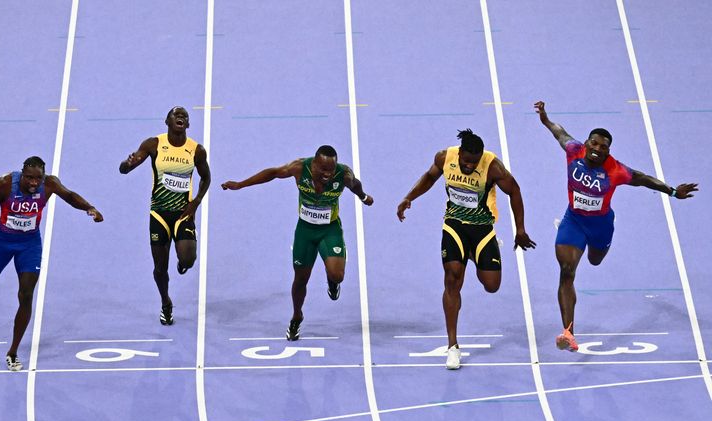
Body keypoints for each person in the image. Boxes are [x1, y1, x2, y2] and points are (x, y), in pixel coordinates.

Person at [534, 100, 698, 352]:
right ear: (586, 143)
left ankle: (595, 247)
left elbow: (643, 179)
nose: (597, 149)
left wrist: (673, 191)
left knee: (595, 260)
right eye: (594, 143)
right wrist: (545, 119)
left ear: (608, 151)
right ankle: (568, 332)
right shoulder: (574, 150)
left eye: (604, 147)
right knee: (567, 271)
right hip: (573, 221)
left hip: (601, 227)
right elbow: (559, 132)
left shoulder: (616, 170)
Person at [397, 129, 536, 370]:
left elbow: (514, 191)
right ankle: (453, 346)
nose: (470, 166)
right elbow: (429, 177)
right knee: (452, 280)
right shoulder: (445, 157)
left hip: (482, 230)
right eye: (466, 161)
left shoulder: (493, 167)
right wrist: (409, 197)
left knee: (492, 285)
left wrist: (520, 229)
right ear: (459, 153)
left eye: (474, 162)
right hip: (454, 226)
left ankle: (474, 254)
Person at [0, 156, 103, 371]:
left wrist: (89, 207)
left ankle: (12, 352)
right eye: (29, 178)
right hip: (2, 243)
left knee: (26, 294)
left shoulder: (50, 184)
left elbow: (70, 196)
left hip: (29, 246)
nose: (34, 183)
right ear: (22, 174)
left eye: (38, 178)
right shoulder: (4, 184)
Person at [221, 145, 373, 341]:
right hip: (305, 231)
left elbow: (355, 185)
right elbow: (273, 173)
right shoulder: (300, 168)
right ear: (314, 164)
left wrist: (363, 197)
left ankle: (332, 281)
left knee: (337, 275)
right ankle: (296, 317)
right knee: (301, 279)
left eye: (331, 170)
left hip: (329, 229)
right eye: (323, 169)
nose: (327, 174)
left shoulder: (343, 175)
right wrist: (241, 184)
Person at [119, 106, 211, 326]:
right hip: (159, 214)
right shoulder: (153, 144)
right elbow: (125, 169)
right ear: (167, 121)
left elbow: (206, 178)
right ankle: (165, 302)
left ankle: (182, 262)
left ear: (188, 124)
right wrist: (127, 163)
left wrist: (196, 202)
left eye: (184, 116)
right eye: (176, 115)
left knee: (188, 259)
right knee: (160, 268)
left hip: (183, 214)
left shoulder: (196, 150)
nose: (181, 117)